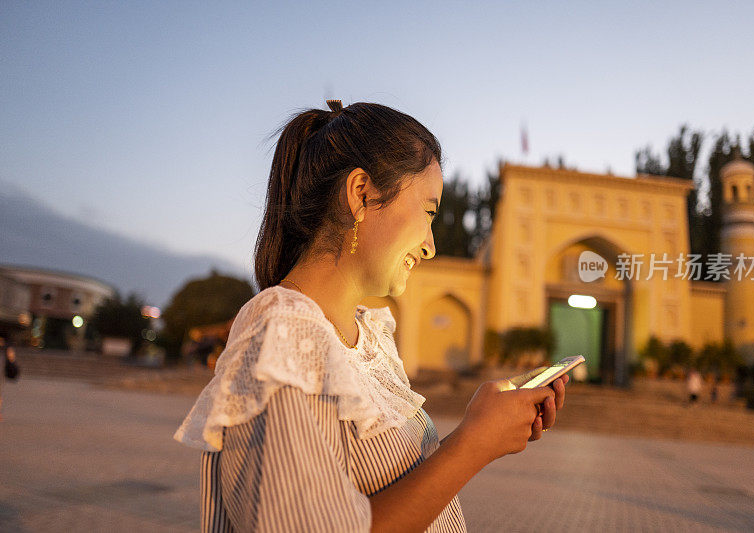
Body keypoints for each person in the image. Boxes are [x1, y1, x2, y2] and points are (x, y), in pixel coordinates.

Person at [174, 100, 569, 532]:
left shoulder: (368, 336)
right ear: (361, 193)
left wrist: (486, 428)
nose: (430, 244)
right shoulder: (283, 331)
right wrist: (473, 445)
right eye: (429, 211)